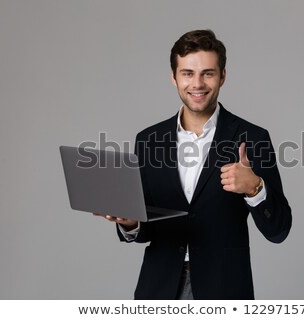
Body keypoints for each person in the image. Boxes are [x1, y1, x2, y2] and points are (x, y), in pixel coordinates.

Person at [94, 29, 292, 299]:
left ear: (223, 76)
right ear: (174, 77)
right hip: (159, 290)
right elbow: (147, 230)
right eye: (188, 73)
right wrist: (131, 222)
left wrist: (255, 188)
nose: (197, 84)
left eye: (207, 73)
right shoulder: (149, 139)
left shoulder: (252, 138)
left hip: (224, 290)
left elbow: (279, 230)